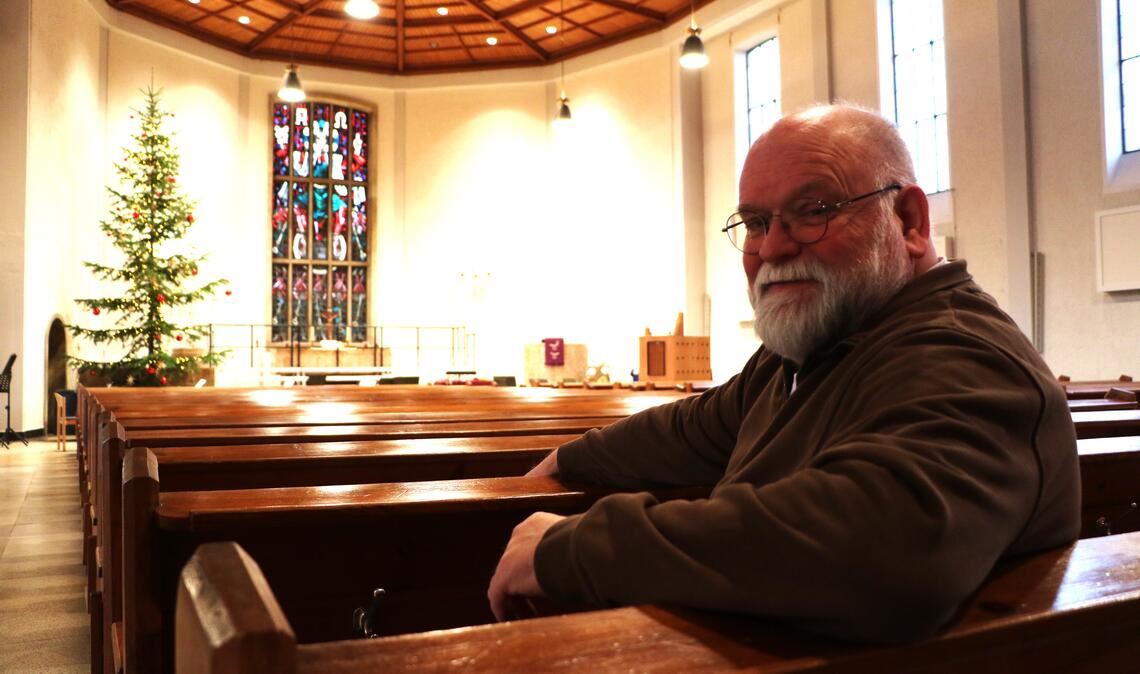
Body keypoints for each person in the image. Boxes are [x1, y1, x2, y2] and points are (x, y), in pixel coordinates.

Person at [487, 105, 1080, 643]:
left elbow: (879, 551)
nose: (771, 248)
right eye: (754, 222)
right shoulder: (810, 349)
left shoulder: (960, 355)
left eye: (812, 211)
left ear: (908, 219)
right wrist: (569, 461)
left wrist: (577, 547)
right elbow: (697, 426)